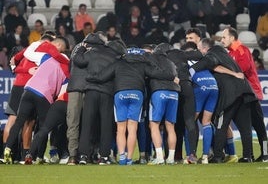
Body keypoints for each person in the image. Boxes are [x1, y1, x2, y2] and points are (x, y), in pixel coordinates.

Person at [86, 46, 179, 165]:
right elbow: (158, 73)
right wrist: (172, 77)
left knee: (120, 129)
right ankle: (129, 159)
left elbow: (101, 76)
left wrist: (87, 77)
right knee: (132, 128)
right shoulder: (142, 64)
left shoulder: (118, 63)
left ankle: (122, 158)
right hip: (137, 94)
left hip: (120, 93)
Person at [3, 37, 70, 164]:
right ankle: (36, 155)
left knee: (18, 122)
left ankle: (7, 148)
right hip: (44, 96)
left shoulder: (46, 58)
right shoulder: (67, 71)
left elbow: (28, 54)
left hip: (28, 89)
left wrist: (35, 43)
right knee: (44, 127)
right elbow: (61, 93)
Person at [190, 38, 256, 163]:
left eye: (199, 49)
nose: (198, 52)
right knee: (245, 127)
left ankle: (218, 156)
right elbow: (217, 66)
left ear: (205, 49)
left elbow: (211, 64)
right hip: (244, 91)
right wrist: (235, 74)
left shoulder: (211, 55)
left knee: (221, 125)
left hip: (230, 94)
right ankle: (248, 156)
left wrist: (190, 71)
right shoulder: (225, 54)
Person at [73, 33, 126, 165]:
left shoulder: (90, 53)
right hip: (108, 92)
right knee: (106, 125)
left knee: (87, 124)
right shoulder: (114, 56)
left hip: (91, 91)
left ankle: (84, 156)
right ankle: (104, 156)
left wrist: (82, 48)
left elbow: (78, 60)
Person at [221, 27, 268, 162]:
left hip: (250, 93)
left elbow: (243, 69)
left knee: (257, 126)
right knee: (247, 126)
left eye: (224, 37)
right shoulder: (230, 53)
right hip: (242, 94)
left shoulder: (241, 50)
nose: (222, 40)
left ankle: (263, 154)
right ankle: (251, 155)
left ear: (232, 37)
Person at [182, 42, 218, 164]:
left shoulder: (184, 61)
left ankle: (190, 155)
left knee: (190, 121)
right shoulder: (203, 58)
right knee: (206, 122)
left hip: (200, 87)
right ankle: (205, 157)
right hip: (213, 85)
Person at [147, 43, 180, 165]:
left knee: (154, 125)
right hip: (174, 93)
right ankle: (171, 158)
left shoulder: (151, 57)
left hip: (159, 92)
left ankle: (160, 157)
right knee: (170, 126)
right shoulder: (171, 62)